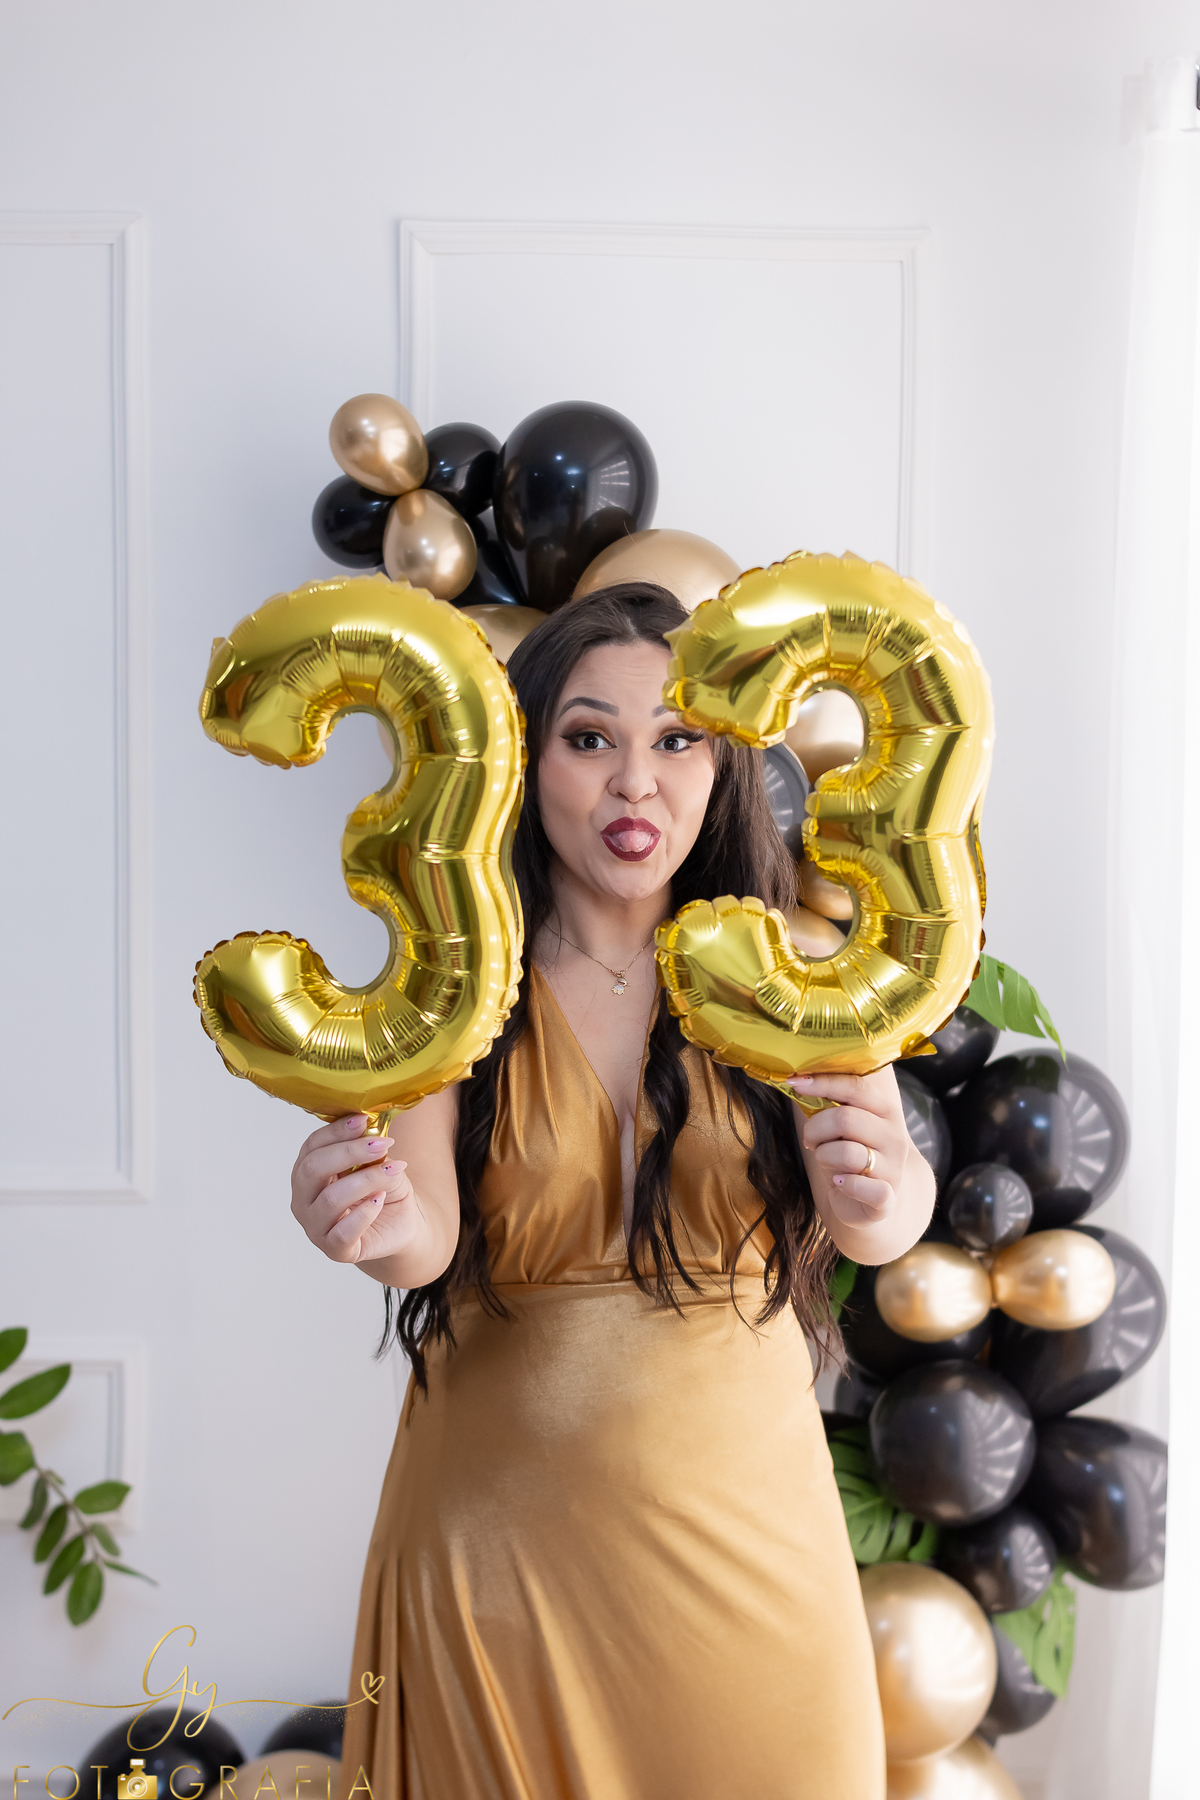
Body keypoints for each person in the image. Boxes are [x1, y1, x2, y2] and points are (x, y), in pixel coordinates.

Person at [289, 584, 936, 1800]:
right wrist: (355, 1212)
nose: (637, 783)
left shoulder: (794, 966)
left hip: (753, 1558)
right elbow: (418, 1240)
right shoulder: (456, 974)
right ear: (528, 763)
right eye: (591, 740)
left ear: (724, 759)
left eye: (677, 738)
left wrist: (887, 1181)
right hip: (500, 1574)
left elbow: (878, 1217)